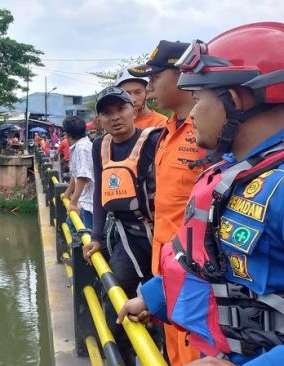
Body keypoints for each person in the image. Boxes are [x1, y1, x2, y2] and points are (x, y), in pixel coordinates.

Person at [117, 22, 284, 365]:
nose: (193, 112)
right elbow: (212, 263)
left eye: (200, 98)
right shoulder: (230, 174)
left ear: (235, 100)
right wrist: (156, 297)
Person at [129, 40, 204, 365]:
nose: (149, 87)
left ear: (183, 74)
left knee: (194, 350)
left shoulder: (209, 135)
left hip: (196, 271)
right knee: (170, 352)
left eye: (156, 76)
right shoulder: (165, 132)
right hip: (164, 264)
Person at [85, 86, 162, 365]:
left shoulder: (154, 140)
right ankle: (123, 358)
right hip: (126, 237)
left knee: (162, 306)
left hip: (159, 237)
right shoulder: (99, 146)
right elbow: (99, 193)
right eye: (107, 113)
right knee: (115, 298)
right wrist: (95, 236)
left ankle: (159, 353)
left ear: (134, 110)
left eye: (121, 109)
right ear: (99, 120)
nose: (115, 117)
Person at [62, 116, 94, 228]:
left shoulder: (82, 148)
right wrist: (67, 194)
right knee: (71, 225)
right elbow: (75, 175)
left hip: (89, 204)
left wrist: (73, 202)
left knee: (86, 236)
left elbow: (82, 177)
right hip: (84, 201)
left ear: (68, 135)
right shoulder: (79, 146)